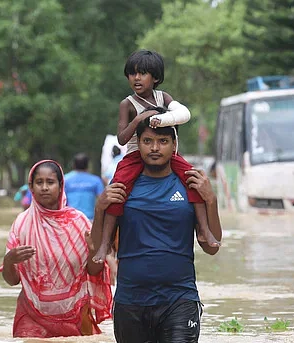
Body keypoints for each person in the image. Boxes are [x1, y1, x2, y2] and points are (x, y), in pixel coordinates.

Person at [91, 116, 222, 343]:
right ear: (137, 144)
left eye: (162, 141)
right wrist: (100, 207)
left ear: (174, 145)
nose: (154, 148)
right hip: (131, 301)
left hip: (179, 299)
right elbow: (99, 247)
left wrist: (210, 199)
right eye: (147, 141)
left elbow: (212, 246)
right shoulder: (123, 186)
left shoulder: (189, 184)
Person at [92, 49, 220, 264]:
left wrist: (163, 120)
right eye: (132, 74)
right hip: (134, 156)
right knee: (117, 189)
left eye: (142, 73)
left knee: (193, 180)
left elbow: (183, 114)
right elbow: (122, 139)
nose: (137, 78)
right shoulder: (128, 104)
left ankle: (205, 231)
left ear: (156, 78)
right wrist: (139, 119)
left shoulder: (164, 97)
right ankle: (105, 242)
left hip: (171, 156)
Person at [0, 160, 113, 338]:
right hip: (32, 315)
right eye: (39, 182)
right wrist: (9, 260)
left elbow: (93, 270)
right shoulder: (22, 224)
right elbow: (12, 280)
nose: (44, 188)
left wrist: (93, 251)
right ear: (31, 186)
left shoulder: (78, 222)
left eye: (50, 182)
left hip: (74, 315)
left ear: (61, 186)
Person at [64, 153, 105, 221]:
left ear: (74, 165)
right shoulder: (96, 180)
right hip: (90, 220)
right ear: (87, 165)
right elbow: (102, 200)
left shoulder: (65, 179)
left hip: (70, 219)